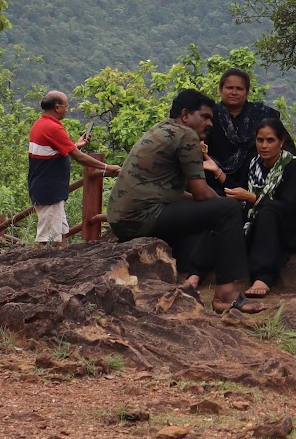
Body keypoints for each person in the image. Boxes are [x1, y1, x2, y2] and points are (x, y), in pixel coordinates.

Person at [106, 88, 266, 313]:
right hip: (142, 217)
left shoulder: (161, 129)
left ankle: (186, 279)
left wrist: (211, 206)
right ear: (185, 115)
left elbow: (174, 192)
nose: (210, 123)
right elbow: (201, 193)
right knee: (228, 209)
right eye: (205, 116)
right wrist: (223, 205)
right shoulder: (186, 135)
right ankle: (225, 296)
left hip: (122, 220)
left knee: (213, 211)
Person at [224, 117, 296, 297]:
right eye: (260, 140)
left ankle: (263, 276)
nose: (264, 145)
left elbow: (289, 206)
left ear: (281, 142)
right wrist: (218, 173)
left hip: (285, 227)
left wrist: (252, 198)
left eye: (270, 140)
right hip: (253, 224)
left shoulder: (293, 167)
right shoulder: (253, 163)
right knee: (222, 209)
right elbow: (238, 189)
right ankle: (196, 271)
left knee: (268, 212)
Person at [27, 90, 119, 243]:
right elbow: (79, 157)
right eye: (66, 106)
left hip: (44, 186)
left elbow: (56, 151)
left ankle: (58, 263)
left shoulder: (40, 124)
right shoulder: (53, 127)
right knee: (47, 238)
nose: (67, 110)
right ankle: (38, 264)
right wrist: (107, 167)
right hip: (49, 188)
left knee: (59, 233)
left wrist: (76, 145)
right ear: (57, 107)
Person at [205, 67, 280, 189]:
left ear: (247, 92)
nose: (234, 92)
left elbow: (283, 145)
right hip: (213, 180)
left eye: (239, 89)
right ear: (220, 90)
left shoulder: (263, 115)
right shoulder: (209, 116)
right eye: (229, 88)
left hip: (256, 181)